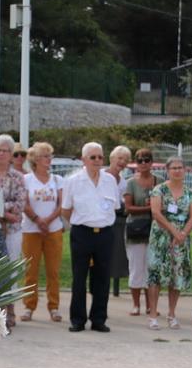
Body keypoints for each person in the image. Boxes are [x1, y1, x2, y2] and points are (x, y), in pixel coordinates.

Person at [61, 141, 120, 333]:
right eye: (93, 157)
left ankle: (99, 319)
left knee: (102, 278)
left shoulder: (110, 180)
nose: (97, 161)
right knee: (79, 277)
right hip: (82, 233)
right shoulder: (72, 181)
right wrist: (81, 223)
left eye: (100, 157)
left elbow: (115, 207)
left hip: (105, 234)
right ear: (83, 160)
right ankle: (77, 319)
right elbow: (66, 210)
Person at [146, 157, 192, 330]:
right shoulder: (158, 190)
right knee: (156, 275)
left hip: (180, 240)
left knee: (177, 276)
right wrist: (174, 231)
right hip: (161, 238)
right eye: (173, 168)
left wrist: (182, 234)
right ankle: (153, 315)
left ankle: (172, 314)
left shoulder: (190, 192)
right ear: (167, 170)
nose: (177, 171)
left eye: (180, 167)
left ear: (185, 170)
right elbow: (156, 213)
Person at [19, 141, 63, 323]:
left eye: (49, 156)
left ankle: (54, 307)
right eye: (45, 156)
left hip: (53, 230)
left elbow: (62, 204)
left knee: (53, 270)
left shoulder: (58, 180)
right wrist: (37, 220)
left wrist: (48, 220)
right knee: (31, 270)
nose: (48, 159)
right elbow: (24, 203)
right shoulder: (26, 179)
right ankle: (29, 306)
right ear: (35, 160)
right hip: (31, 230)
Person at [0, 134, 26, 328]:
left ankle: (9, 309)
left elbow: (20, 204)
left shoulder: (18, 177)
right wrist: (4, 211)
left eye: (5, 150)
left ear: (11, 154)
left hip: (12, 230)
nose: (1, 153)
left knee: (10, 269)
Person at [122, 148, 157, 316]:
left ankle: (151, 305)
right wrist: (150, 207)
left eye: (147, 160)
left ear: (151, 162)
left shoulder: (159, 181)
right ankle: (136, 305)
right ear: (136, 163)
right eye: (140, 160)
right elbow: (128, 208)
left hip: (155, 231)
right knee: (136, 268)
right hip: (136, 230)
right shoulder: (130, 182)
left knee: (152, 269)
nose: (144, 163)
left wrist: (156, 208)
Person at [106, 145, 132, 294]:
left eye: (125, 160)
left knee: (117, 254)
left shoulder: (124, 183)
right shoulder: (101, 176)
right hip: (101, 220)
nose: (122, 162)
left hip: (118, 220)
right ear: (112, 158)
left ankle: (115, 287)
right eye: (120, 158)